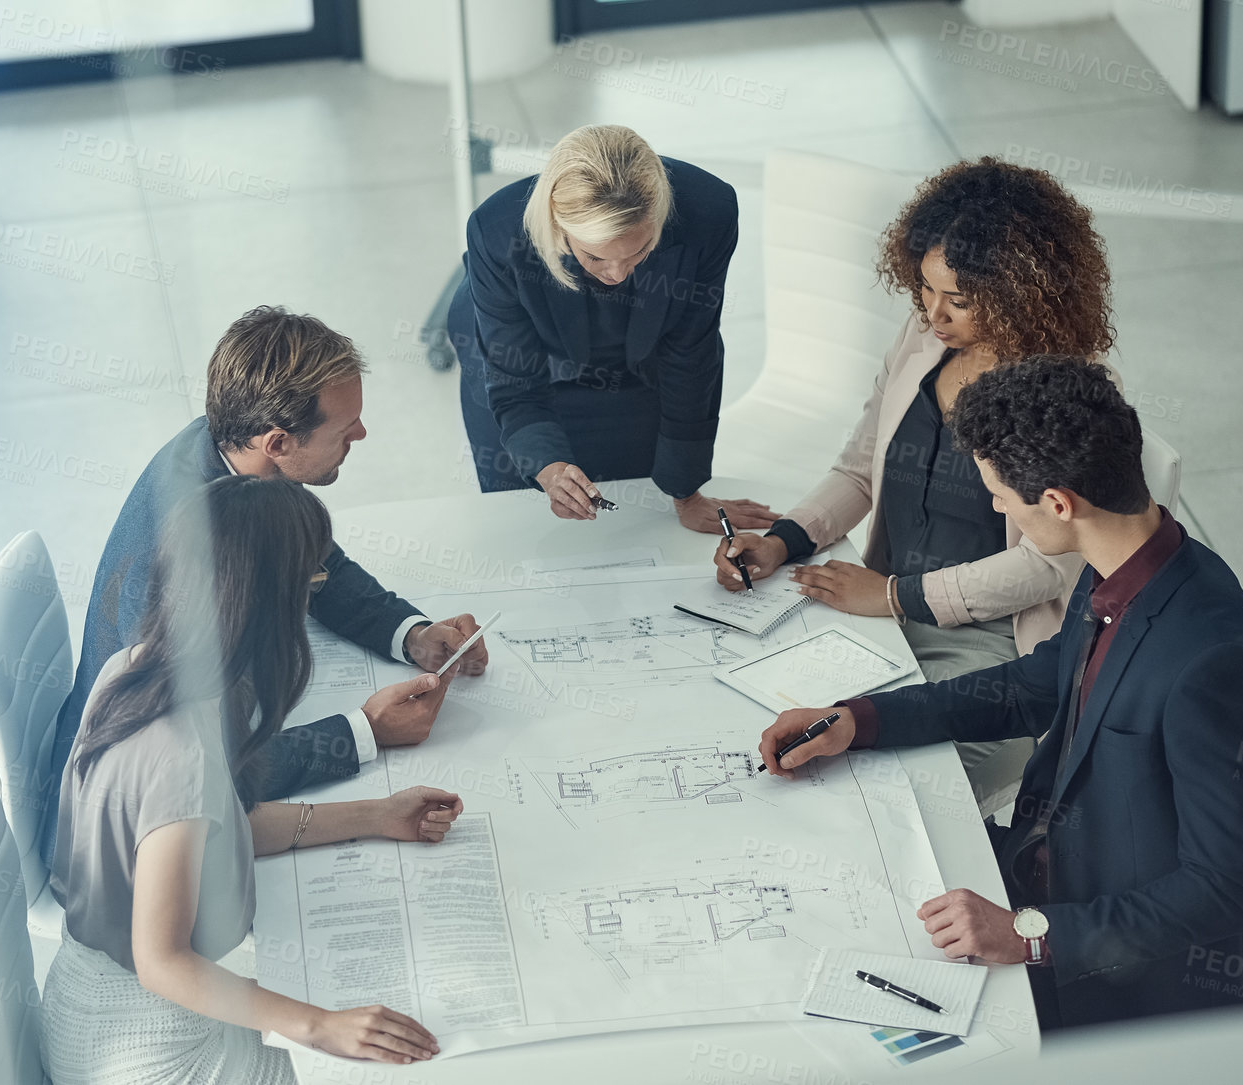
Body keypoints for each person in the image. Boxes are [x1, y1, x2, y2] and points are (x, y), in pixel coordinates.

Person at [757, 359, 1243, 1030]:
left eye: (1001, 499)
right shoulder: (1118, 567)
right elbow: (1030, 685)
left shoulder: (1213, 664)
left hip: (1112, 980)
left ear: (1060, 502)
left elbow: (1225, 891)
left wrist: (1028, 934)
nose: (999, 510)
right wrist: (860, 718)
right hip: (1037, 872)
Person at [716, 157, 1117, 812]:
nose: (933, 313)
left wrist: (898, 597)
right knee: (774, 739)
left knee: (898, 797)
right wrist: (782, 540)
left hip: (996, 654)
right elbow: (859, 464)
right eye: (925, 289)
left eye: (958, 299)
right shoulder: (921, 339)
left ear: (1023, 291)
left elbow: (1048, 565)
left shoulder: (1066, 388)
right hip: (879, 612)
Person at [43, 475, 459, 1082]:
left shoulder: (131, 669)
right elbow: (161, 962)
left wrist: (376, 815)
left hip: (91, 996)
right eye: (312, 583)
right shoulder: (182, 752)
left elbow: (214, 828)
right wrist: (323, 1025)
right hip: (150, 1044)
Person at [44, 307, 488, 863]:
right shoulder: (192, 570)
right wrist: (365, 731)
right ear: (278, 442)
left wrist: (411, 634)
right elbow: (201, 778)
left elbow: (310, 556)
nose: (362, 433)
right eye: (343, 428)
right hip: (122, 831)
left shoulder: (230, 446)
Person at [450, 123, 777, 532]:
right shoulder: (496, 231)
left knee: (634, 515)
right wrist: (549, 468)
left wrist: (686, 491)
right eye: (596, 257)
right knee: (521, 520)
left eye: (639, 250)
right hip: (517, 349)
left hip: (643, 349)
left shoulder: (709, 210)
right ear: (560, 228)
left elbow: (691, 352)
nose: (618, 274)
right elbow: (514, 382)